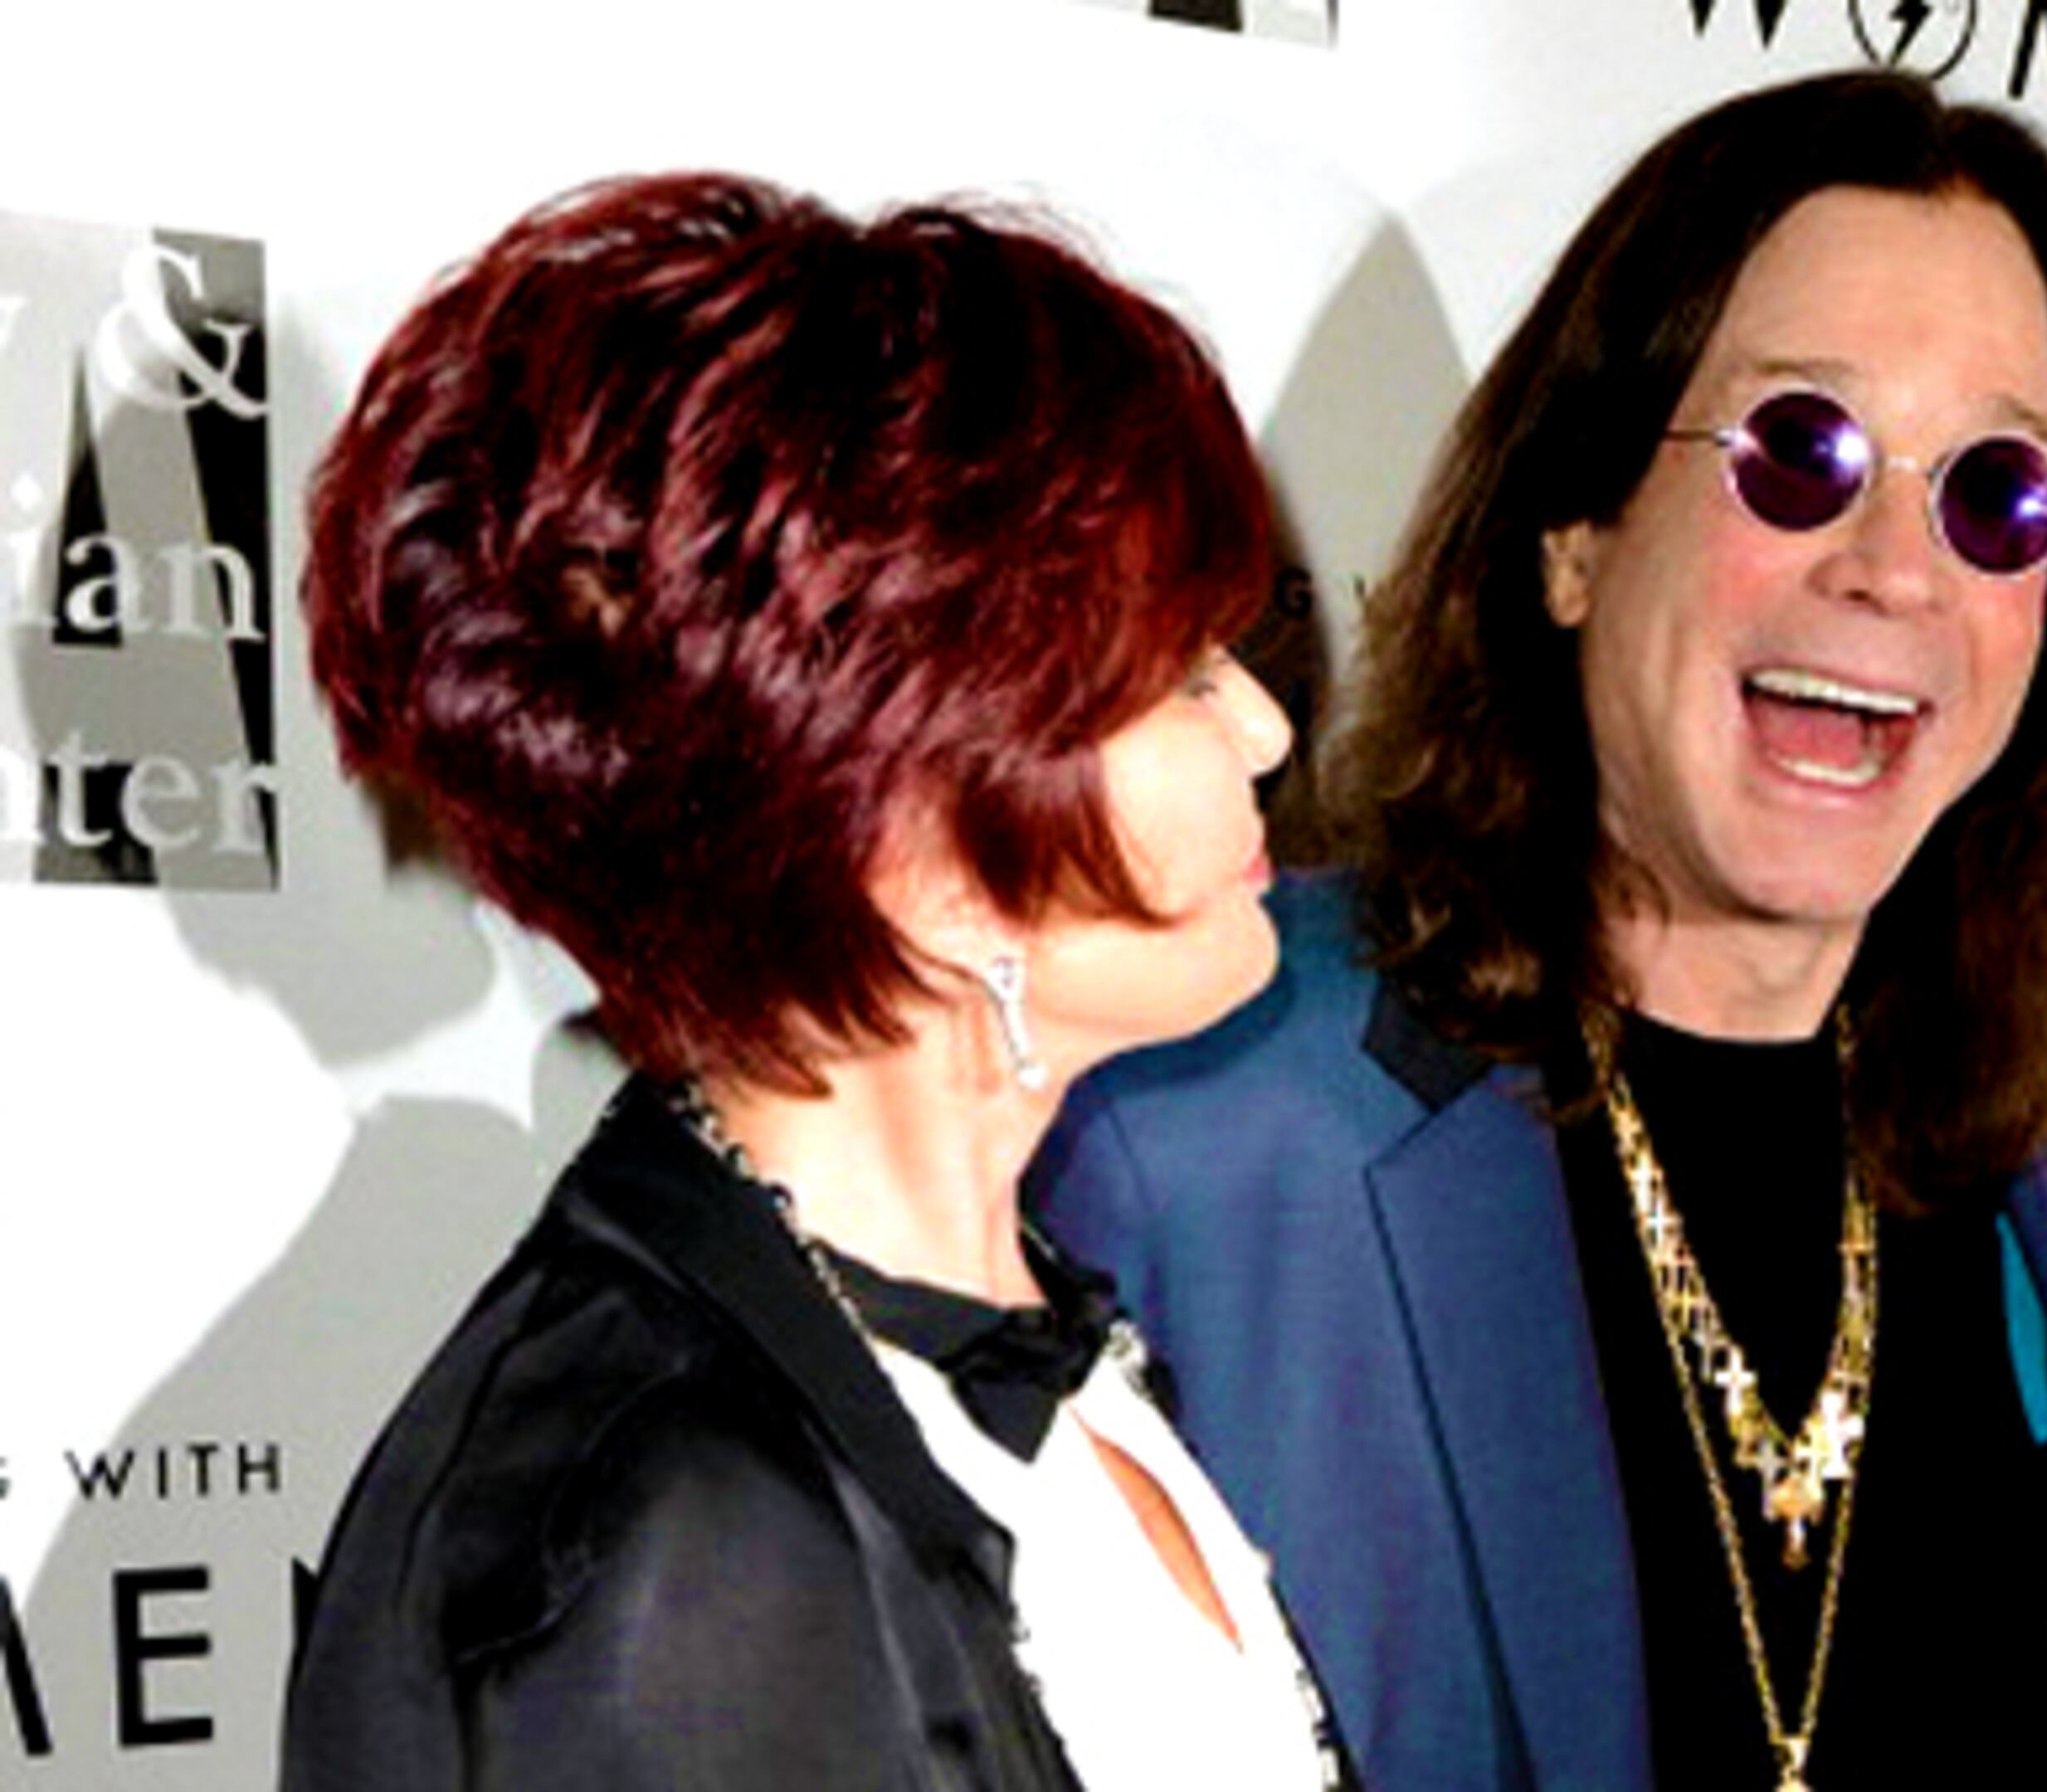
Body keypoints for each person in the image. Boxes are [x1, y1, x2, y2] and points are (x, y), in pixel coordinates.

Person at [1028, 71, 2047, 1792]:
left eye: (1997, 496)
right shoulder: (1207, 1114)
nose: (1896, 568)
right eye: (1799, 452)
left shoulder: (1981, 1169)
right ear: (1574, 534)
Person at [282, 173, 1346, 1790]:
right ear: (912, 842)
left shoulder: (991, 1347)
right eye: (1181, 680)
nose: (1267, 733)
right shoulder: (671, 1544)